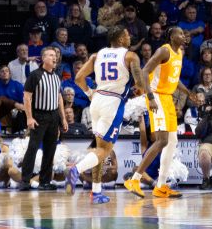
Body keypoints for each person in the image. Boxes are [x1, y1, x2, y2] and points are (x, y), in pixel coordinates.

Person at [67, 28, 148, 203]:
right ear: (119, 39)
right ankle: (76, 169)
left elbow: (79, 79)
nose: (129, 37)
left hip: (96, 102)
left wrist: (89, 93)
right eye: (127, 35)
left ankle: (96, 192)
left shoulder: (97, 55)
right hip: (113, 103)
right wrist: (138, 91)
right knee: (104, 150)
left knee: (99, 149)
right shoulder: (130, 56)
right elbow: (141, 85)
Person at [123, 27, 189, 197]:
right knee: (161, 141)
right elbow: (145, 72)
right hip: (157, 96)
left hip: (167, 98)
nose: (183, 35)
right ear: (171, 36)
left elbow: (174, 79)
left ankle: (160, 186)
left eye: (184, 34)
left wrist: (189, 93)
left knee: (172, 142)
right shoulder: (163, 50)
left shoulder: (179, 53)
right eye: (180, 33)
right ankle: (135, 179)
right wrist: (150, 97)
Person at [21, 46, 68, 191]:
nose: (54, 57)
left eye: (55, 55)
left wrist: (63, 118)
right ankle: (25, 180)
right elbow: (27, 97)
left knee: (50, 149)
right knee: (33, 148)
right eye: (51, 55)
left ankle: (45, 181)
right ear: (43, 58)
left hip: (53, 116)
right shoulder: (35, 75)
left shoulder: (56, 76)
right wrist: (29, 117)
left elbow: (59, 97)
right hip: (39, 115)